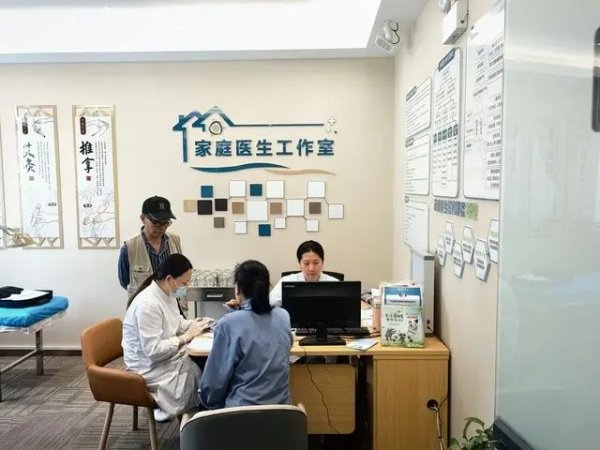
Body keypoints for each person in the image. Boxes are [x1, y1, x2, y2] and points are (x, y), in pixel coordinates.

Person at [122, 253, 212, 422]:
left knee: (205, 363)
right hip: (148, 367)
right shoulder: (148, 305)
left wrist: (198, 324)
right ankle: (198, 419)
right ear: (169, 279)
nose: (186, 287)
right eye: (184, 283)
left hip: (164, 358)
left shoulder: (168, 294)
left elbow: (177, 323)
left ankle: (204, 412)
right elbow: (153, 351)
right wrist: (186, 337)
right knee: (202, 369)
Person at [199, 260, 293, 409]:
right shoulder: (283, 316)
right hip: (281, 412)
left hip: (242, 413)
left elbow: (213, 385)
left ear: (238, 289)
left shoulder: (228, 324)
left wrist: (209, 402)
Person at [118, 195, 186, 312]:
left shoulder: (175, 240)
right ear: (143, 218)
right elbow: (125, 282)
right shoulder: (129, 248)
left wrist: (180, 308)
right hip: (145, 310)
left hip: (174, 308)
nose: (162, 227)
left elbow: (181, 275)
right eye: (156, 223)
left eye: (166, 222)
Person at [269, 240, 339, 307]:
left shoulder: (335, 284)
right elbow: (271, 303)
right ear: (299, 263)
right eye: (306, 263)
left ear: (322, 262)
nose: (311, 268)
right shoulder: (286, 281)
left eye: (315, 263)